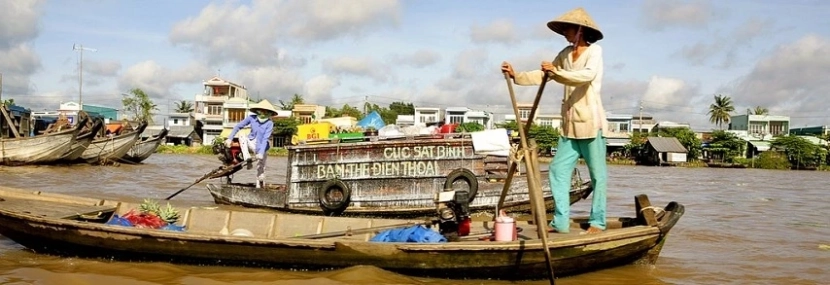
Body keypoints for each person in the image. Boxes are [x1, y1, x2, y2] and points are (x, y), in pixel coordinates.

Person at [501, 7, 608, 234]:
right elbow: (544, 75)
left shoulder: (595, 52)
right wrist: (516, 75)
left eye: (568, 29)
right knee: (558, 170)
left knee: (598, 175)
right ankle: (560, 221)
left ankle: (597, 221)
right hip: (569, 127)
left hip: (591, 124)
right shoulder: (565, 54)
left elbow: (585, 76)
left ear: (580, 30)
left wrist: (556, 73)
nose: (565, 34)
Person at [226, 99, 278, 188]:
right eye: (261, 111)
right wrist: (229, 138)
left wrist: (261, 153)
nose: (263, 114)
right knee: (241, 134)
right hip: (251, 142)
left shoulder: (269, 123)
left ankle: (259, 187)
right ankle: (247, 157)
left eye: (266, 112)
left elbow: (265, 138)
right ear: (258, 111)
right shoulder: (252, 118)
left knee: (261, 171)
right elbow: (238, 126)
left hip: (262, 147)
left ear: (269, 113)